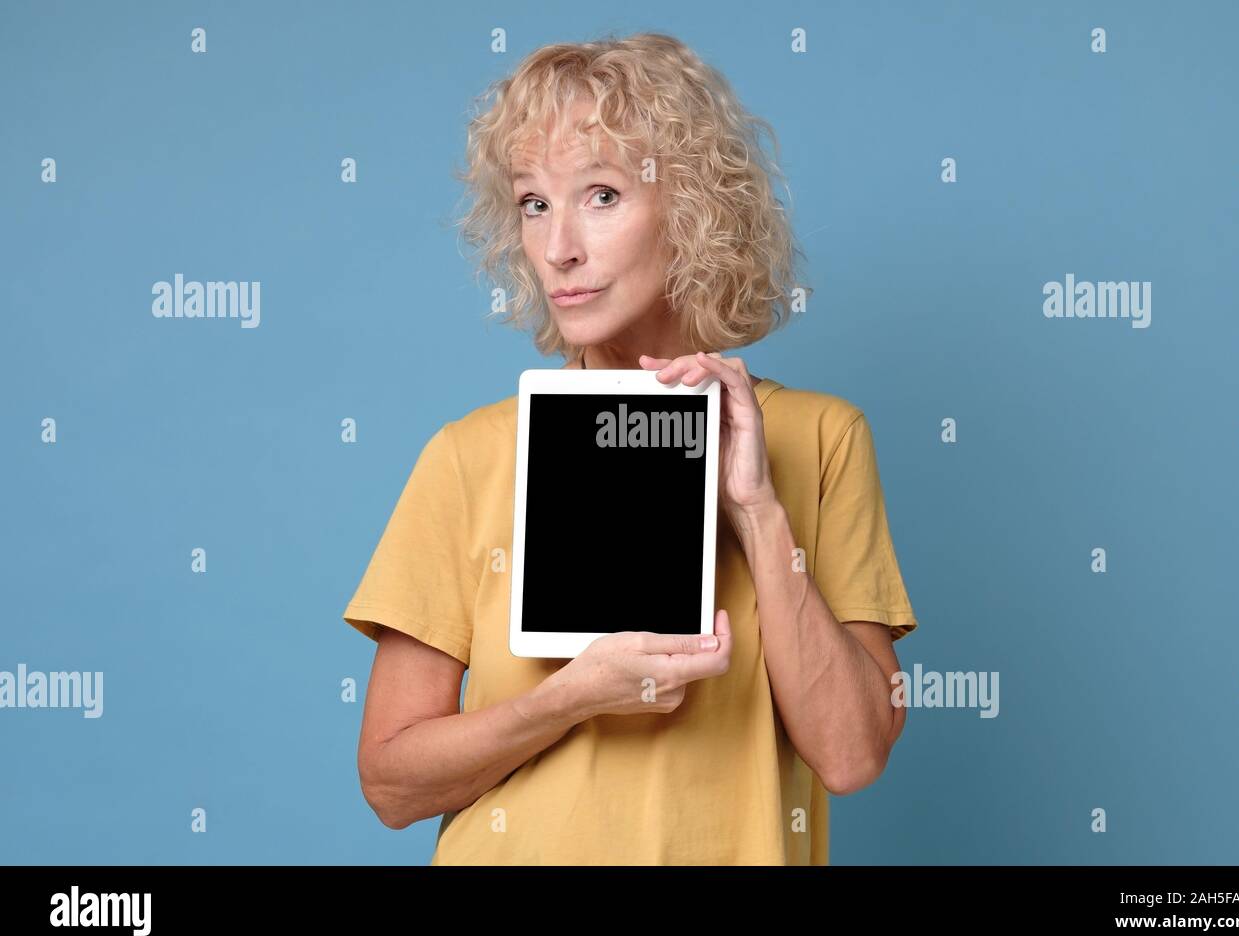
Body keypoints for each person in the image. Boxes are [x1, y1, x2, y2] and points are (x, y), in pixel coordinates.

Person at [341, 32, 918, 865]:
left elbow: (853, 755)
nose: (557, 247)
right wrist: (569, 699)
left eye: (601, 195)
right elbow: (391, 784)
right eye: (535, 203)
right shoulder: (469, 456)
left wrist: (757, 512)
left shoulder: (821, 440)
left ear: (692, 212)